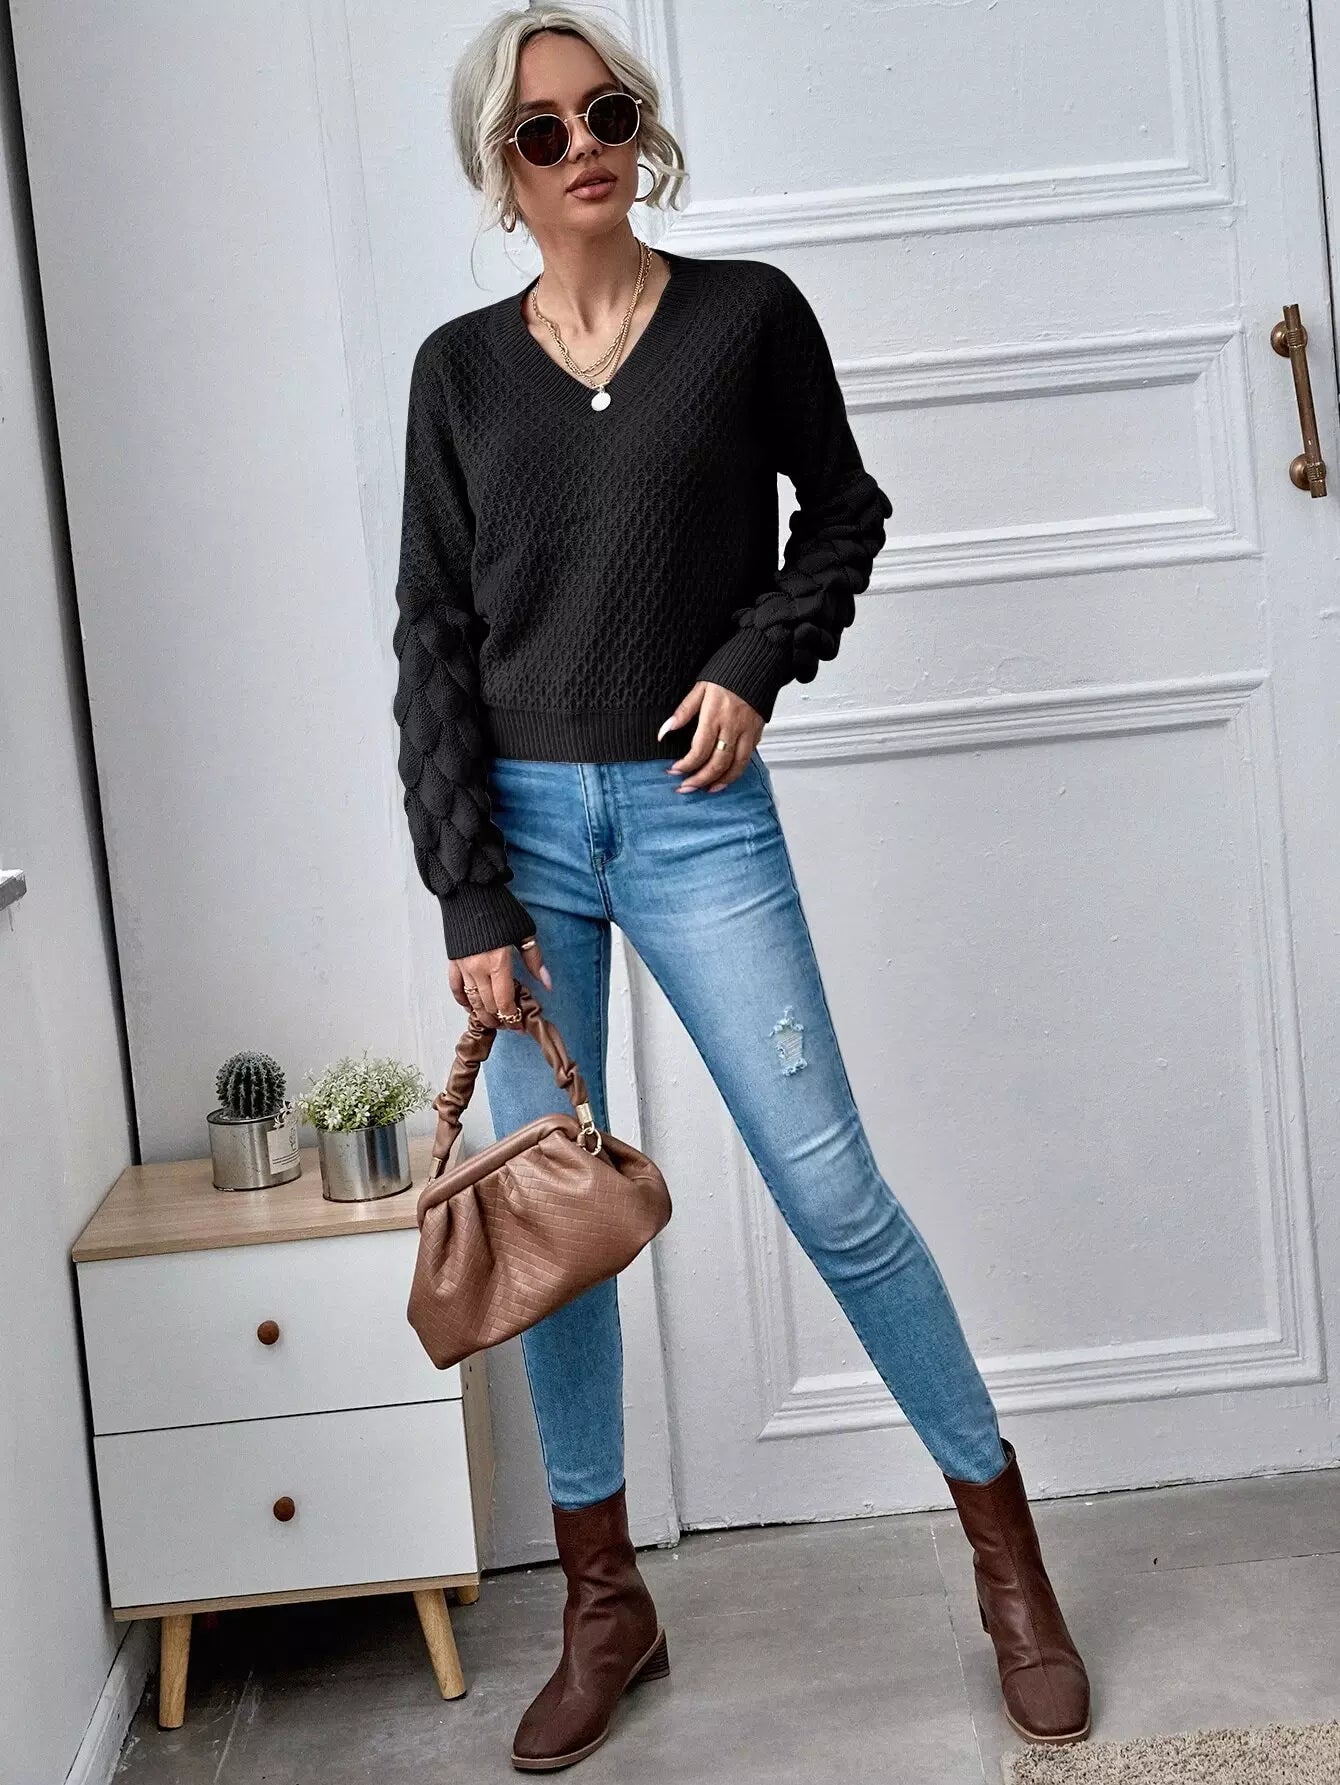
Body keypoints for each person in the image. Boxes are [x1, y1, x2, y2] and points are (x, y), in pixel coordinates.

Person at [391, 7, 1091, 1770]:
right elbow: (433, 639)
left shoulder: (745, 318)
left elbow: (843, 511)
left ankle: (1009, 1564)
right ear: (499, 169)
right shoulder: (458, 375)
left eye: (606, 112)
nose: (583, 146)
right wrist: (469, 896)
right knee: (555, 1231)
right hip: (522, 841)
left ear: (640, 129)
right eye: (542, 130)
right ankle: (605, 1603)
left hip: (699, 816)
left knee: (831, 1188)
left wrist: (753, 660)